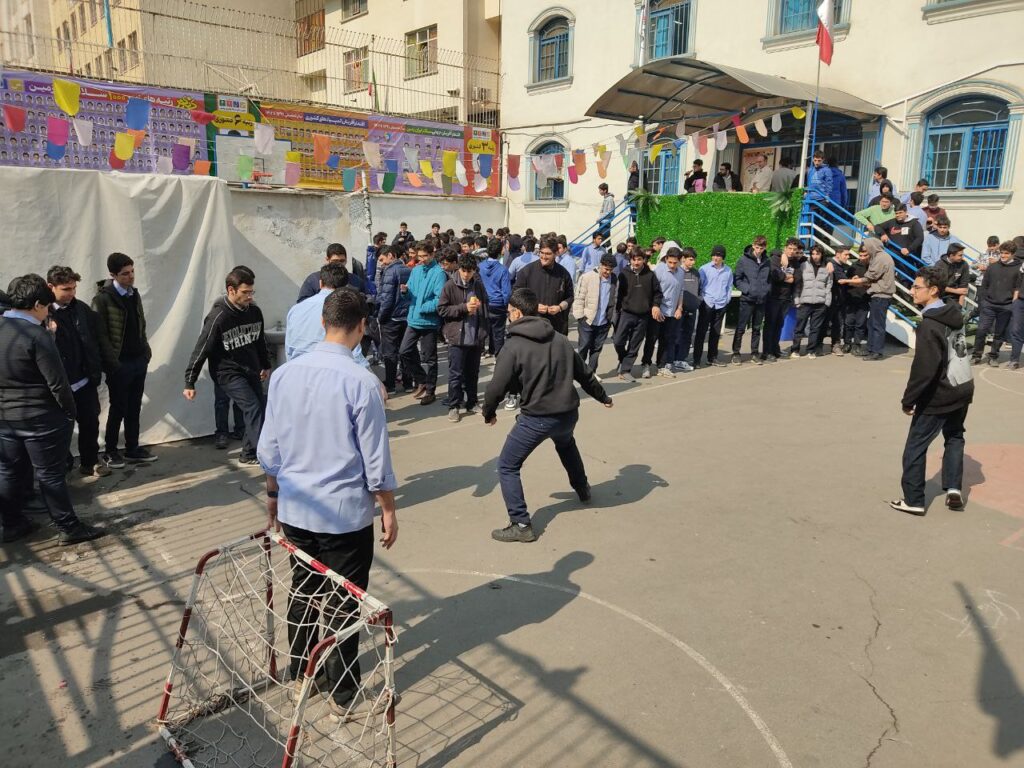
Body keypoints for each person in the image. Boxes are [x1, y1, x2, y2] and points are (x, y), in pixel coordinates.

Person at [257, 287, 398, 720]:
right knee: (344, 601)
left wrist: (273, 496)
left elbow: (270, 448)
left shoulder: (285, 375)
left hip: (298, 508)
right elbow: (375, 460)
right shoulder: (361, 382)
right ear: (361, 328)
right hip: (343, 515)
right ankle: (342, 691)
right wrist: (388, 508)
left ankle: (303, 674)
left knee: (303, 590)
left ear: (323, 322)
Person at [482, 287, 612, 543]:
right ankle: (583, 488)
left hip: (537, 419)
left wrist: (489, 412)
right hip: (568, 413)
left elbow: (496, 386)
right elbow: (585, 374)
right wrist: (603, 397)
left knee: (507, 465)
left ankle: (521, 524)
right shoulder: (560, 339)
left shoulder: (513, 346)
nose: (508, 316)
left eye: (509, 312)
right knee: (566, 444)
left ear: (517, 313)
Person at [1, 275, 105, 545]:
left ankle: (11, 524)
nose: (47, 312)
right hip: (41, 419)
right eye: (46, 306)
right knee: (50, 475)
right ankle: (68, 527)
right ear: (37, 304)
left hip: (6, 419)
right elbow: (58, 384)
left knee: (8, 471)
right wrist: (69, 413)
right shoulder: (37, 335)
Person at [890, 266, 973, 516]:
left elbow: (924, 369)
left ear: (933, 290)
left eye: (917, 287)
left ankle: (914, 499)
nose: (912, 291)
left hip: (941, 393)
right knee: (954, 436)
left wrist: (909, 399)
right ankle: (954, 489)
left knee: (916, 445)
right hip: (962, 386)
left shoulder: (930, 324)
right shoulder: (953, 312)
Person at [183, 268, 271, 467]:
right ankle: (257, 454)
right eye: (245, 292)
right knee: (252, 407)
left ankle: (251, 451)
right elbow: (202, 348)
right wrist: (190, 381)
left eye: (251, 292)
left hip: (250, 368)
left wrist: (265, 365)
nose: (250, 296)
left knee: (259, 406)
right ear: (231, 290)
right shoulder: (219, 317)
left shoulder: (254, 312)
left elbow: (260, 341)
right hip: (227, 373)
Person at [93, 252, 156, 467]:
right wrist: (113, 363)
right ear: (113, 275)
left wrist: (145, 352)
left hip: (138, 360)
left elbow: (141, 324)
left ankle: (132, 448)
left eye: (132, 271)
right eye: (125, 274)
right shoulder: (102, 299)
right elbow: (99, 335)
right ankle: (110, 451)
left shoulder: (133, 294)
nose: (131, 276)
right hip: (119, 364)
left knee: (134, 407)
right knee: (118, 407)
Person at [46, 266, 107, 477]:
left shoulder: (81, 309)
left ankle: (90, 462)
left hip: (84, 380)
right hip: (58, 386)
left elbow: (96, 340)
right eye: (66, 289)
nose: (71, 293)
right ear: (50, 287)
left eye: (73, 288)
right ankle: (63, 468)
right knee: (60, 429)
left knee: (90, 422)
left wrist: (98, 370)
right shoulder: (43, 313)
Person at [438, 253, 489, 423]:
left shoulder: (478, 285)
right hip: (457, 337)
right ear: (459, 269)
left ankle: (472, 402)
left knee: (472, 373)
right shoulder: (450, 286)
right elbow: (442, 310)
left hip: (475, 336)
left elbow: (486, 305)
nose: (466, 274)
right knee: (456, 375)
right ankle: (454, 405)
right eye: (464, 270)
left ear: (475, 270)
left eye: (470, 271)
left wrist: (484, 328)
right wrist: (463, 307)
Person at [401, 242, 448, 406]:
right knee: (404, 351)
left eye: (425, 256)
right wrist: (405, 292)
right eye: (419, 256)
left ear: (432, 254)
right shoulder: (415, 270)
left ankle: (430, 391)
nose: (421, 259)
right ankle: (422, 380)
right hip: (413, 318)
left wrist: (423, 307)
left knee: (430, 358)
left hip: (429, 321)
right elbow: (410, 294)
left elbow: (440, 299)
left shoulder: (439, 273)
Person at [614, 248, 662, 381]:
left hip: (643, 316)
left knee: (634, 344)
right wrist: (616, 313)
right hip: (626, 314)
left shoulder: (650, 275)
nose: (636, 262)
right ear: (630, 260)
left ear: (643, 260)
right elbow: (618, 295)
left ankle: (625, 370)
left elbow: (658, 293)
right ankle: (623, 360)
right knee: (618, 341)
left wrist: (656, 305)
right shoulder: (624, 274)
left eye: (639, 259)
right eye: (633, 259)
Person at [971, 241, 1020, 366]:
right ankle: (976, 355)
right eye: (1001, 253)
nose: (1003, 256)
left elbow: (1018, 287)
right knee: (981, 330)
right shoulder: (992, 267)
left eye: (1006, 253)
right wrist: (983, 301)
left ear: (1013, 254)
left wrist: (1012, 304)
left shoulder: (1018, 269)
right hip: (988, 304)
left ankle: (993, 356)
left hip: (1006, 306)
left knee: (999, 333)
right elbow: (984, 284)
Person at [845, 238, 894, 361]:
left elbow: (870, 277)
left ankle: (876, 351)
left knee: (877, 325)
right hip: (877, 295)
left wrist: (848, 280)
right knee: (872, 324)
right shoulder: (879, 257)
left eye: (866, 248)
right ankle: (871, 349)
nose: (865, 251)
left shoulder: (880, 258)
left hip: (881, 295)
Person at [513, 237, 574, 336]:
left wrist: (560, 307)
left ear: (556, 253)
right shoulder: (527, 271)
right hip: (531, 326)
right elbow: (515, 296)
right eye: (542, 253)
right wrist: (534, 306)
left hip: (555, 327)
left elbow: (570, 297)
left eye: (548, 254)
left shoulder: (563, 274)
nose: (544, 257)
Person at [375, 247, 413, 395]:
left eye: (382, 259)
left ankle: (390, 385)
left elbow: (387, 298)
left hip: (391, 317)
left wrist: (381, 317)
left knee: (390, 353)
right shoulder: (408, 269)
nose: (381, 263)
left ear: (390, 255)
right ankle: (408, 383)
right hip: (406, 316)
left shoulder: (390, 271)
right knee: (405, 350)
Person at [643, 247, 685, 377]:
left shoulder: (681, 272)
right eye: (670, 262)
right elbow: (652, 291)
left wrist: (679, 308)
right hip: (657, 311)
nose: (672, 265)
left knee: (666, 340)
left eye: (675, 263)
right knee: (651, 339)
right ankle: (646, 364)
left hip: (671, 312)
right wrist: (655, 307)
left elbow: (681, 291)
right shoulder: (659, 270)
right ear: (666, 259)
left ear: (679, 261)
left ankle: (661, 366)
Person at [573, 253, 617, 376]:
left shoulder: (614, 279)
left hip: (604, 322)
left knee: (596, 349)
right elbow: (579, 297)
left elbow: (614, 299)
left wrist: (611, 318)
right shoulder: (587, 277)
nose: (608, 272)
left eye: (611, 270)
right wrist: (580, 316)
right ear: (600, 265)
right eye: (606, 269)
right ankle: (579, 372)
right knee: (584, 347)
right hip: (587, 320)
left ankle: (591, 373)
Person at [731, 236, 771, 365]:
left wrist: (766, 290)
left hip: (761, 300)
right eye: (757, 247)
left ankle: (754, 353)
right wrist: (747, 289)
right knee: (741, 327)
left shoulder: (767, 261)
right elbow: (737, 279)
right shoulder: (743, 260)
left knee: (757, 328)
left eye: (761, 248)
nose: (759, 250)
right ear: (753, 245)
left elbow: (769, 279)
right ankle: (736, 353)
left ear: (765, 247)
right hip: (747, 299)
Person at [692, 245, 733, 367]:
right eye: (714, 255)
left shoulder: (728, 271)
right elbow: (700, 286)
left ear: (723, 257)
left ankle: (712, 358)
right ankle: (696, 360)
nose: (716, 257)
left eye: (718, 256)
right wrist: (702, 300)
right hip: (707, 304)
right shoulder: (704, 269)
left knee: (715, 333)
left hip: (721, 305)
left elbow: (729, 287)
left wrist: (726, 300)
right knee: (701, 332)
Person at [789, 245, 833, 358]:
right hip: (804, 302)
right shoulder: (803, 265)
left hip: (820, 303)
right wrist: (797, 300)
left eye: (817, 254)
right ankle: (795, 349)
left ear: (822, 254)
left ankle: (811, 350)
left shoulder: (827, 267)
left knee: (815, 329)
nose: (815, 256)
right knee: (799, 328)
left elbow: (829, 285)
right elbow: (798, 284)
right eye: (813, 254)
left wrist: (827, 302)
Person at [764, 239, 802, 361]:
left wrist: (788, 277)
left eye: (794, 250)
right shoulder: (776, 258)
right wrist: (786, 274)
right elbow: (775, 275)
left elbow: (797, 279)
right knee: (770, 325)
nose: (791, 251)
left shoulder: (795, 262)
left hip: (786, 298)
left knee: (779, 325)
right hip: (774, 297)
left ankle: (775, 349)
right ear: (785, 248)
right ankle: (767, 352)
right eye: (789, 248)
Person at [297, 243, 366, 303]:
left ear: (346, 260)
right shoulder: (313, 280)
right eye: (335, 261)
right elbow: (302, 302)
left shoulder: (356, 280)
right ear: (327, 260)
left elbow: (366, 301)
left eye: (342, 261)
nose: (339, 264)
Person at [478, 239, 512, 357]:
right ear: (500, 251)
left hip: (483, 303)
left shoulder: (480, 267)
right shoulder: (503, 269)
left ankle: (483, 351)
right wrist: (506, 306)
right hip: (498, 304)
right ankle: (498, 355)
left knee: (484, 328)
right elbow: (506, 292)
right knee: (498, 332)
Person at [673, 247, 701, 371]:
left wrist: (698, 301)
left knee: (687, 335)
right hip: (678, 310)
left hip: (692, 310)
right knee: (676, 335)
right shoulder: (677, 272)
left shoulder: (696, 273)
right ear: (683, 259)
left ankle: (681, 359)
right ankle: (672, 359)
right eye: (690, 259)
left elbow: (699, 290)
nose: (693, 262)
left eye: (694, 260)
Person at [838, 247, 870, 355]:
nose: (862, 258)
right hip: (851, 299)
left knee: (860, 324)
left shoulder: (872, 267)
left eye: (865, 255)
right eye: (860, 255)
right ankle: (847, 343)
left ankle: (857, 345)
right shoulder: (853, 266)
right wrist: (853, 280)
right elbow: (846, 282)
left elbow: (872, 282)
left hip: (864, 299)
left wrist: (859, 283)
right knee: (848, 323)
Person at [935, 243, 971, 307]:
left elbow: (963, 288)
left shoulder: (964, 265)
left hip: (954, 299)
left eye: (962, 255)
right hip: (939, 297)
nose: (962, 257)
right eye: (960, 255)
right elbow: (938, 286)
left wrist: (960, 306)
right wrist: (956, 291)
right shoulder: (939, 265)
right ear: (951, 255)